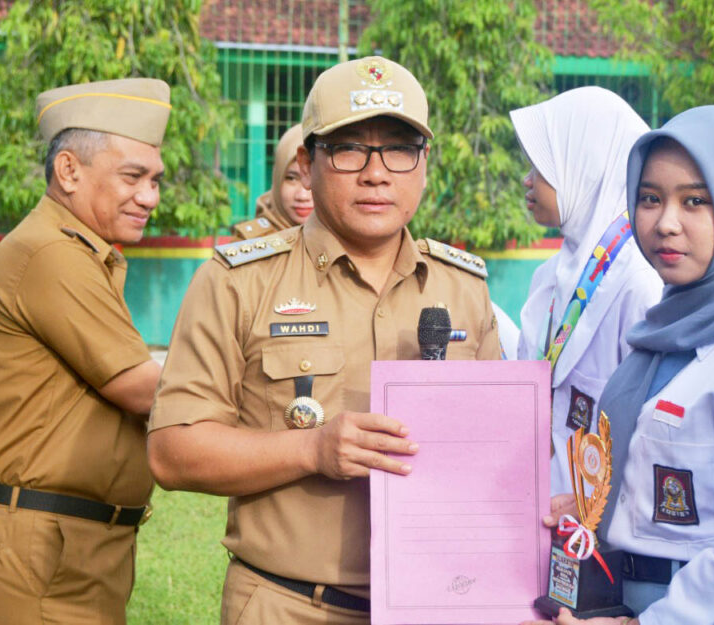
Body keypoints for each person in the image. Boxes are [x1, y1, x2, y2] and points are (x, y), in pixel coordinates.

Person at [147, 56, 501, 624]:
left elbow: (494, 451)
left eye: (399, 149)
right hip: (290, 605)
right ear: (307, 164)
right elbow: (172, 452)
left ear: (424, 164)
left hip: (436, 604)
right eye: (350, 149)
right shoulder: (239, 282)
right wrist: (311, 450)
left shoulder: (464, 288)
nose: (376, 173)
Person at [531, 105, 714, 625]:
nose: (666, 223)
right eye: (650, 199)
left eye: (696, 201)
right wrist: (601, 508)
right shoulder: (665, 333)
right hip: (637, 598)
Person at [0, 78, 169, 624]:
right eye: (133, 177)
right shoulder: (52, 252)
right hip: (40, 547)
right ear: (69, 171)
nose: (149, 197)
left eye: (155, 180)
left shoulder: (80, 252)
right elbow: (142, 389)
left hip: (71, 541)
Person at [510, 86, 663, 493]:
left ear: (584, 167)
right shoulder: (550, 276)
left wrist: (591, 508)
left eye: (542, 166)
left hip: (600, 518)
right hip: (540, 503)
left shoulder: (639, 284)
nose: (527, 179)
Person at [234, 124, 314, 239]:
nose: (302, 196)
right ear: (277, 178)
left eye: (313, 178)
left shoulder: (340, 241)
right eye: (291, 178)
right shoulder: (250, 243)